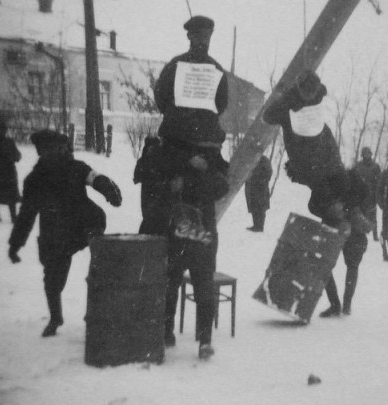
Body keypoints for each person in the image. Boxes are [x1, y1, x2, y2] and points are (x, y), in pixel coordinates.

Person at [153, 15, 229, 360]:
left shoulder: (215, 71)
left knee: (203, 277)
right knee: (170, 273)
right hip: (175, 212)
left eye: (207, 34)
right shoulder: (175, 67)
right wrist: (182, 163)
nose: (202, 39)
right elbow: (162, 99)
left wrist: (204, 169)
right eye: (197, 34)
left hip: (202, 220)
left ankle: (204, 340)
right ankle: (166, 329)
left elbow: (221, 182)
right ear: (189, 36)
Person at [7, 130, 122, 338]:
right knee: (52, 280)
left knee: (100, 255)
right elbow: (27, 215)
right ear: (40, 151)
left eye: (57, 148)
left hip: (85, 223)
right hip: (55, 232)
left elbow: (95, 179)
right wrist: (15, 244)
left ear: (62, 149)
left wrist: (108, 189)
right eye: (46, 149)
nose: (53, 153)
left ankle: (100, 273)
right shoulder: (34, 180)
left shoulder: (76, 168)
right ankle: (55, 318)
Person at [263, 70, 351, 228]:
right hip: (306, 158)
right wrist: (287, 101)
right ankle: (334, 225)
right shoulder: (289, 103)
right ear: (299, 88)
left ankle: (347, 220)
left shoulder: (319, 97)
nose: (310, 95)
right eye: (306, 91)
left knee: (343, 185)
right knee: (324, 196)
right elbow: (268, 116)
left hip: (324, 150)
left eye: (313, 91)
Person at [319, 169, 370, 317]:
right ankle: (344, 306)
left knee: (327, 264)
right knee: (349, 267)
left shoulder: (333, 183)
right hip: (352, 229)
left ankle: (337, 305)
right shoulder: (356, 184)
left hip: (344, 228)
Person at [133, 136, 166, 234]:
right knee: (149, 217)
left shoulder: (160, 160)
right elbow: (137, 178)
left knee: (154, 217)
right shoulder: (143, 160)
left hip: (157, 191)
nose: (151, 150)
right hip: (148, 191)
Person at [355, 146, 381, 241]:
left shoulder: (375, 166)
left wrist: (376, 194)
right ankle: (361, 233)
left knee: (372, 216)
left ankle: (375, 235)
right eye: (365, 153)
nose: (367, 155)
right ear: (362, 155)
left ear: (371, 154)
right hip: (360, 195)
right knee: (360, 215)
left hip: (371, 195)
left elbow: (379, 182)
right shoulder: (358, 165)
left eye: (368, 153)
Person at [245, 155, 273, 232]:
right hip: (252, 188)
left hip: (261, 188)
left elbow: (268, 173)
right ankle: (255, 225)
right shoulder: (251, 158)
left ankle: (260, 226)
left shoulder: (264, 160)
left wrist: (259, 179)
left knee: (260, 208)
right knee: (253, 206)